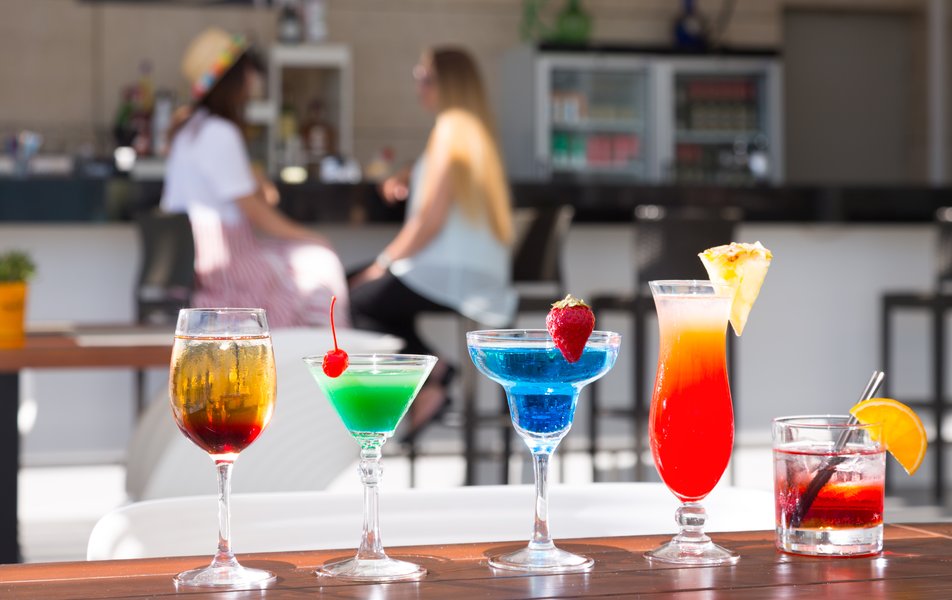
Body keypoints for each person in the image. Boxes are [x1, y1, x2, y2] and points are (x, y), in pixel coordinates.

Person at [349, 47, 515, 436]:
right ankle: (432, 375)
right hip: (478, 271)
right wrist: (409, 172)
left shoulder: (450, 130)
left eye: (425, 78)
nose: (418, 87)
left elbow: (428, 222)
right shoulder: (471, 132)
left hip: (450, 270)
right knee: (379, 300)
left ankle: (431, 375)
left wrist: (382, 263)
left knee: (355, 297)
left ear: (448, 83)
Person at [161, 28, 349, 328]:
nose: (254, 79)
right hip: (223, 266)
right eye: (248, 70)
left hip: (189, 263)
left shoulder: (189, 130)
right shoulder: (220, 133)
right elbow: (257, 212)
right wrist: (312, 238)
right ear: (234, 79)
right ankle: (318, 356)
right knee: (320, 263)